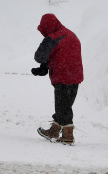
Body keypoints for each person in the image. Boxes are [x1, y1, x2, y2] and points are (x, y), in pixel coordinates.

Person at [31, 13, 83, 145]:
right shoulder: (70, 34)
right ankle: (54, 131)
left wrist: (46, 43)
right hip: (75, 76)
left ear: (47, 27)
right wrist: (45, 67)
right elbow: (61, 54)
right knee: (64, 105)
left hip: (62, 76)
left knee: (63, 106)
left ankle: (67, 135)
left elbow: (39, 56)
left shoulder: (53, 38)